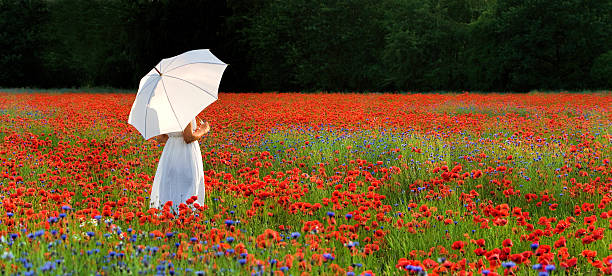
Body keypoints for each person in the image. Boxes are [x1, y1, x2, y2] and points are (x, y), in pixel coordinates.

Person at [148, 116, 210, 211]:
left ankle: (169, 217)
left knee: (170, 187)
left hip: (170, 152)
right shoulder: (184, 106)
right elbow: (188, 137)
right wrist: (203, 129)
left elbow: (161, 138)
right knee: (188, 189)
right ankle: (185, 220)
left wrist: (175, 137)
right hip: (186, 153)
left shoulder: (166, 108)